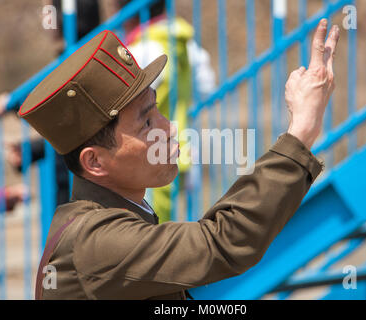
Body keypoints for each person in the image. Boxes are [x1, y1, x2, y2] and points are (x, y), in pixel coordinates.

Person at [18, 19, 339, 299]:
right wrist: (300, 134)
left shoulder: (112, 216)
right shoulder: (96, 242)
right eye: (146, 123)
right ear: (95, 163)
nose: (168, 127)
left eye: (156, 109)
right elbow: (220, 242)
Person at [0, 0, 101, 206]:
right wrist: (34, 149)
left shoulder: (85, 61)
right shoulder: (72, 58)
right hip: (70, 179)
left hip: (81, 184)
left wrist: (13, 103)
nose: (44, 17)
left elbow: (81, 127)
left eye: (48, 11)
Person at [117, 0, 216, 223]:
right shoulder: (186, 44)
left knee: (149, 223)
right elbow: (207, 87)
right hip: (183, 143)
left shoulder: (141, 48)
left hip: (147, 147)